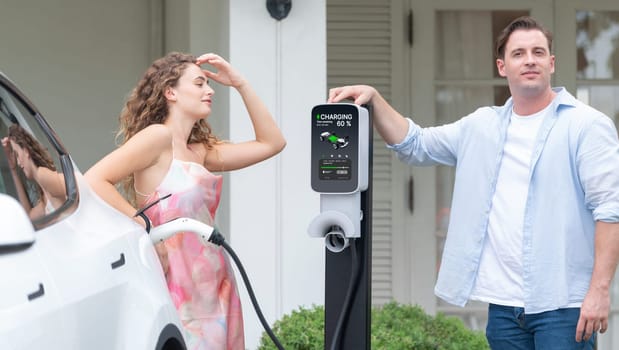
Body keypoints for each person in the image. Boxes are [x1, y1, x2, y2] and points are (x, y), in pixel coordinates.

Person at [328, 16, 619, 350]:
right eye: (519, 53)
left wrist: (599, 291)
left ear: (551, 63)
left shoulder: (586, 125)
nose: (529, 60)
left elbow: (609, 211)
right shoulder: (481, 126)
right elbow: (415, 144)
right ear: (502, 66)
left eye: (538, 52)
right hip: (504, 309)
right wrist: (375, 99)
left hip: (564, 305)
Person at [85, 52, 286, 350]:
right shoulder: (156, 138)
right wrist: (144, 224)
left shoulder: (201, 150)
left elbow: (272, 143)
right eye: (199, 82)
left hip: (217, 284)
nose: (210, 90)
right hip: (176, 285)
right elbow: (93, 180)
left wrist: (241, 83)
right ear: (170, 92)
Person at [2, 124, 66, 217]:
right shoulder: (44, 197)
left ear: (26, 151)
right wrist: (13, 170)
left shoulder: (42, 174)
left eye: (17, 155)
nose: (19, 163)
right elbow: (29, 217)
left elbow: (75, 186)